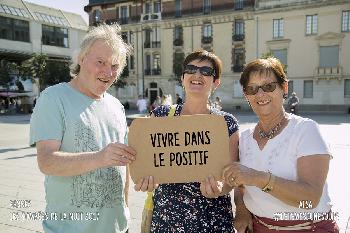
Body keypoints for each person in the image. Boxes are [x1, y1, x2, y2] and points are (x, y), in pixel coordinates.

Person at [29, 23, 136, 233]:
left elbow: (125, 165)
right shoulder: (53, 98)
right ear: (81, 58)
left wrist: (126, 210)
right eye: (100, 62)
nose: (108, 71)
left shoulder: (116, 106)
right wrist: (101, 157)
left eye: (115, 65)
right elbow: (47, 162)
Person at [223, 57, 339, 233]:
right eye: (252, 89)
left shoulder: (305, 130)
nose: (260, 94)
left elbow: (310, 200)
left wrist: (258, 178)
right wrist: (241, 207)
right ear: (247, 95)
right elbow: (241, 185)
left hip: (308, 228)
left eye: (269, 86)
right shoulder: (244, 138)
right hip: (258, 228)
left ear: (284, 88)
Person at [135, 50, 240, 232]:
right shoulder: (160, 116)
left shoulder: (226, 123)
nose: (197, 75)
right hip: (167, 221)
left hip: (212, 221)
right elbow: (147, 162)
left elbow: (231, 177)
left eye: (206, 72)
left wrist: (221, 188)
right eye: (191, 69)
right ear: (183, 78)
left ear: (215, 83)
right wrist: (145, 179)